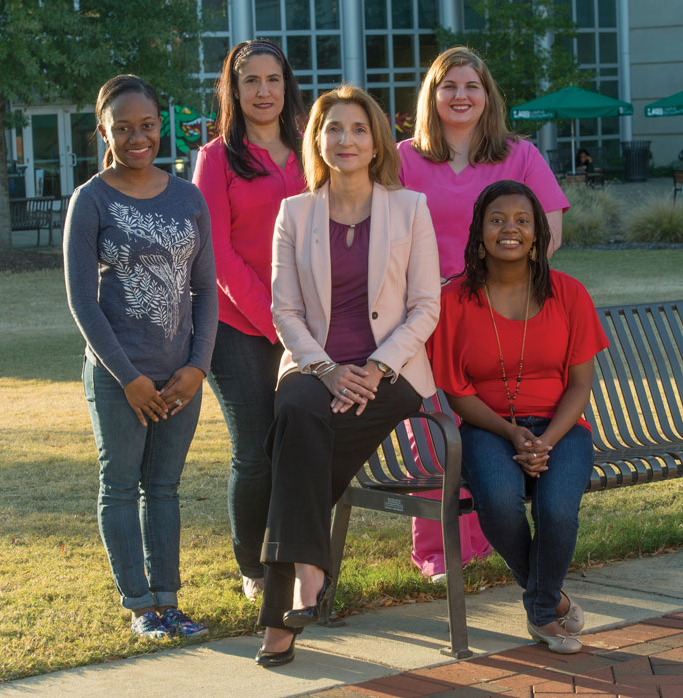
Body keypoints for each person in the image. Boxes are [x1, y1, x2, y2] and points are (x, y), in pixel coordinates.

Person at [255, 85, 440, 667]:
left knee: (294, 450)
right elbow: (284, 310)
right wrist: (330, 371)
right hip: (317, 363)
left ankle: (285, 612)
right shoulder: (295, 212)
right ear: (317, 140)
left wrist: (377, 367)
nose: (346, 139)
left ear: (377, 139)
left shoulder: (410, 208)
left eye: (358, 128)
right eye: (333, 128)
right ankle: (307, 576)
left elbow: (425, 306)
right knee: (295, 409)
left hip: (396, 370)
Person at [398, 46, 570, 582]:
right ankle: (439, 548)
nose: (460, 96)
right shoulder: (402, 157)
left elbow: (550, 229)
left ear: (487, 94)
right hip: (423, 313)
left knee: (484, 423)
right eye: (448, 86)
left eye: (471, 86)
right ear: (432, 95)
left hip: (492, 312)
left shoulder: (518, 155)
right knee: (430, 427)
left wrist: (507, 290)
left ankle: (486, 539)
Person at [64, 75, 218, 640]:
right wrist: (127, 379)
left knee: (165, 487)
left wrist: (197, 367)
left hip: (179, 376)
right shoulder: (91, 199)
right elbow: (82, 299)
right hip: (117, 377)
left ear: (161, 125)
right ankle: (140, 606)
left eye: (147, 125)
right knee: (122, 485)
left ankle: (169, 601)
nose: (137, 137)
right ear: (103, 130)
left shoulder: (187, 197)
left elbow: (205, 290)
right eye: (123, 127)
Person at [427, 179, 608, 654]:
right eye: (498, 219)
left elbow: (580, 384)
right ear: (479, 231)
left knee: (555, 509)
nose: (511, 229)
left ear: (538, 233)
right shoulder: (454, 301)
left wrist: (545, 439)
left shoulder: (568, 293)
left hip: (561, 429)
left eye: (523, 220)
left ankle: (542, 609)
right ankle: (551, 607)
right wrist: (510, 432)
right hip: (487, 428)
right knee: (502, 501)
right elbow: (457, 391)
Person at [192, 40, 306, 602]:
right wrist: (275, 321)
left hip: (311, 324)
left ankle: (298, 554)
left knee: (302, 444)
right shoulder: (217, 158)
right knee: (256, 448)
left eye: (273, 80)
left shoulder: (312, 151)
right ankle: (254, 567)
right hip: (238, 328)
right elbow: (215, 254)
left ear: (287, 86)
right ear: (233, 91)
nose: (264, 92)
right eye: (251, 82)